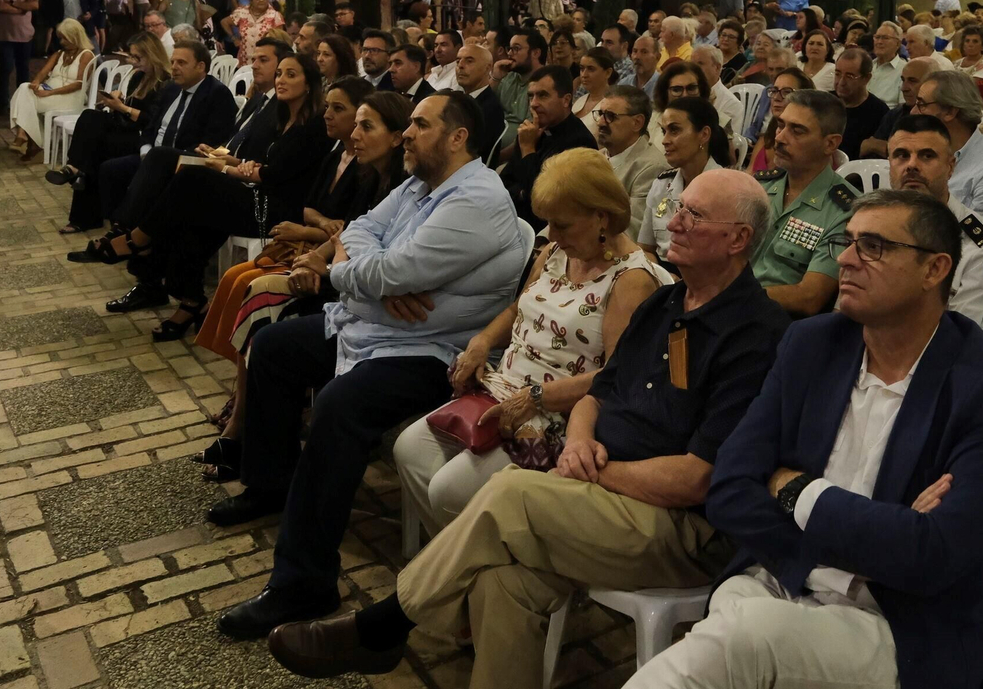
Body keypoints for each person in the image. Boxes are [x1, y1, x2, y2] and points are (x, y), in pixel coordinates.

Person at [264, 171, 786, 687]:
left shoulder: (753, 337)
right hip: (600, 485)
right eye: (677, 206)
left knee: (510, 492)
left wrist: (592, 470)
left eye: (694, 214)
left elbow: (697, 479)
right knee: (501, 580)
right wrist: (581, 441)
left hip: (679, 528)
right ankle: (401, 629)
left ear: (738, 239)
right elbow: (601, 393)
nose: (672, 220)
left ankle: (382, 627)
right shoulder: (668, 304)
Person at [631, 187, 983, 689]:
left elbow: (934, 555)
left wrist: (798, 491)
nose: (845, 259)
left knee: (742, 638)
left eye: (874, 247)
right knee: (743, 627)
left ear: (934, 270)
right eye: (847, 242)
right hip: (775, 581)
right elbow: (731, 488)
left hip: (896, 624)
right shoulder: (812, 344)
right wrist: (868, 541)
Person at [212, 92, 530, 640]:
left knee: (340, 406)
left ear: (458, 138)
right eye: (407, 124)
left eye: (420, 125)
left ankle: (304, 580)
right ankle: (271, 484)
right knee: (276, 347)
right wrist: (372, 279)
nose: (406, 134)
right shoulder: (419, 184)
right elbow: (360, 230)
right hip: (379, 326)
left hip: (436, 353)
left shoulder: (477, 199)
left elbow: (396, 267)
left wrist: (353, 275)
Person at [395, 149, 670, 534]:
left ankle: (479, 566)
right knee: (409, 451)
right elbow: (517, 310)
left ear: (601, 217)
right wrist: (482, 341)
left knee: (447, 492)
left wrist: (535, 398)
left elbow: (617, 376)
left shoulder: (631, 280)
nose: (551, 236)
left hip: (555, 414)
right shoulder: (559, 251)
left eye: (562, 225)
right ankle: (470, 563)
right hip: (504, 387)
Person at [190, 83, 399, 481]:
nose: (352, 132)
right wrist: (319, 246)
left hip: (351, 285)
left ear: (396, 135)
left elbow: (360, 241)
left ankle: (243, 425)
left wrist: (317, 249)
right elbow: (345, 228)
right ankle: (243, 419)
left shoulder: (389, 180)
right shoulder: (360, 166)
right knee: (251, 287)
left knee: (261, 293)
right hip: (338, 270)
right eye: (352, 123)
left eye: (364, 125)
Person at [106, 51, 335, 336]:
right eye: (280, 74)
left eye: (291, 75)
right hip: (256, 193)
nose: (281, 80)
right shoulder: (281, 117)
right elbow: (262, 165)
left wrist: (226, 169)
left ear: (309, 84)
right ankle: (189, 300)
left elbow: (273, 175)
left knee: (193, 179)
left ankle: (140, 238)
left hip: (277, 210)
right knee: (192, 216)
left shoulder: (313, 126)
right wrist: (235, 163)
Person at [82, 39, 242, 242]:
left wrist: (159, 157)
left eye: (181, 63)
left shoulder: (217, 94)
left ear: (201, 66)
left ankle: (126, 232)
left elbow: (214, 141)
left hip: (183, 160)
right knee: (110, 169)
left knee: (154, 166)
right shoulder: (171, 89)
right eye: (173, 62)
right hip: (153, 155)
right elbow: (151, 127)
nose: (174, 68)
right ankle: (120, 226)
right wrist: (145, 151)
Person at [886, 116, 983, 331]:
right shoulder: (871, 227)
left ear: (951, 166)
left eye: (927, 156)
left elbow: (962, 337)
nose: (912, 165)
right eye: (901, 155)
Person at [47, 32, 171, 233]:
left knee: (92, 147)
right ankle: (76, 170)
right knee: (90, 119)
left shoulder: (165, 82)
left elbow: (152, 121)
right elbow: (129, 110)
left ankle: (76, 176)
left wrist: (122, 108)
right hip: (127, 129)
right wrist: (118, 101)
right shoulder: (139, 77)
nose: (132, 62)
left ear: (152, 55)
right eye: (131, 57)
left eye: (137, 58)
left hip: (142, 138)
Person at [751, 91, 859, 317]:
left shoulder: (847, 210)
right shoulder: (758, 187)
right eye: (781, 125)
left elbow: (810, 297)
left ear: (830, 144)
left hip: (781, 324)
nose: (780, 138)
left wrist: (732, 295)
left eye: (797, 131)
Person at [501, 66, 599, 228]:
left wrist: (528, 150)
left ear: (566, 100)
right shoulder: (532, 132)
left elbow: (543, 201)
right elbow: (505, 181)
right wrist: (519, 193)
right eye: (530, 96)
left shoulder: (579, 142)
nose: (533, 104)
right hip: (512, 220)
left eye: (543, 95)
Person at [640, 97, 730, 268]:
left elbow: (725, 260)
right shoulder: (661, 185)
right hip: (663, 275)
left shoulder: (726, 189)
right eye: (663, 131)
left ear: (704, 135)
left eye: (674, 131)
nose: (665, 140)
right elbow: (645, 248)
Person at [912, 70, 983, 220]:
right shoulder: (915, 155)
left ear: (950, 112)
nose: (914, 112)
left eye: (922, 104)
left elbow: (982, 238)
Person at [6, 18, 93, 160]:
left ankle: (29, 140)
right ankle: (28, 139)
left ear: (75, 37)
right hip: (50, 92)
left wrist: (50, 92)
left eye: (65, 39)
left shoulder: (86, 55)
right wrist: (35, 83)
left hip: (71, 97)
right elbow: (42, 73)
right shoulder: (59, 53)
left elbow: (79, 84)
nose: (62, 42)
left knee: (27, 101)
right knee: (24, 87)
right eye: (60, 38)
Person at [597, 86, 669, 238]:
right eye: (600, 114)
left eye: (610, 116)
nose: (600, 123)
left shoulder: (652, 168)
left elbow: (631, 232)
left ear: (637, 123)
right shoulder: (594, 158)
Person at [450, 41, 504, 155]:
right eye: (458, 61)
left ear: (487, 68)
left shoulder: (490, 108)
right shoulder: (460, 100)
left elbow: (473, 152)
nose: (460, 65)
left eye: (469, 61)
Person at [833, 48, 888, 160]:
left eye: (849, 76)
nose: (841, 82)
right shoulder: (825, 103)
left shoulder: (879, 112)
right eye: (838, 74)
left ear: (866, 78)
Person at [225, 0, 287, 64]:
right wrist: (234, 39)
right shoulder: (241, 13)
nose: (261, 0)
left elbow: (280, 41)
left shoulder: (275, 16)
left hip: (265, 63)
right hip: (244, 62)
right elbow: (224, 22)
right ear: (251, 0)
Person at [573, 48, 617, 135]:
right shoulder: (579, 101)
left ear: (608, 73)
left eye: (591, 69)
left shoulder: (613, 104)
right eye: (582, 69)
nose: (584, 75)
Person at [868, 22, 905, 105]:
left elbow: (903, 108)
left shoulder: (904, 71)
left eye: (885, 38)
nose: (879, 42)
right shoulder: (868, 66)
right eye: (877, 37)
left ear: (898, 44)